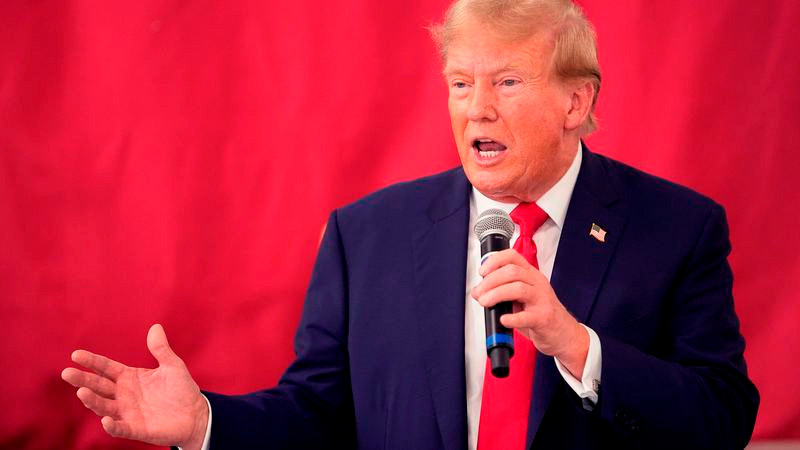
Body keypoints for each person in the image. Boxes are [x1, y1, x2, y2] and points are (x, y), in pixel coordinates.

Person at [61, 0, 759, 448]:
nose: (477, 109)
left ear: (576, 102)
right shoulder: (366, 237)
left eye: (507, 82)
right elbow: (318, 415)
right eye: (461, 83)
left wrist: (577, 347)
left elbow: (723, 418)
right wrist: (206, 423)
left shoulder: (679, 228)